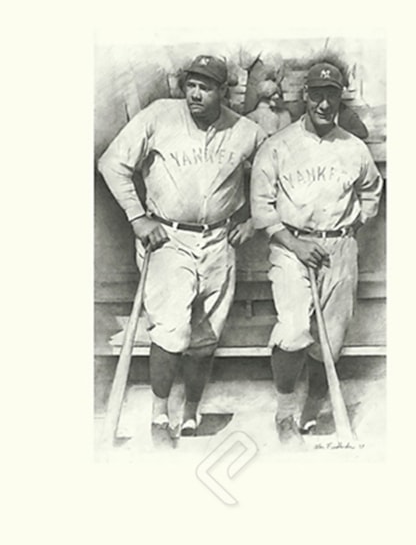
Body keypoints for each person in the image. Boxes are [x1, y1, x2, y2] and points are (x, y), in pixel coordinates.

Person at [98, 55, 266, 444]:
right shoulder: (160, 116)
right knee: (171, 330)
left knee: (205, 337)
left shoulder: (246, 130)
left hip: (219, 240)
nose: (195, 94)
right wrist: (138, 218)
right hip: (168, 238)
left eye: (205, 87)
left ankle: (191, 413)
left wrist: (256, 219)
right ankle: (159, 417)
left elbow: (275, 170)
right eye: (191, 85)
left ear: (223, 91)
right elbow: (112, 163)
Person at [251, 56, 383, 445]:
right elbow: (262, 206)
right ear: (305, 95)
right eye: (317, 95)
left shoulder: (354, 147)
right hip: (292, 247)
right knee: (294, 329)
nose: (324, 104)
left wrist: (350, 229)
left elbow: (371, 191)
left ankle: (312, 410)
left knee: (332, 341)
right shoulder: (278, 145)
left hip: (339, 247)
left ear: (340, 98)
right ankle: (284, 414)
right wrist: (295, 243)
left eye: (332, 96)